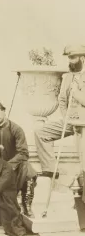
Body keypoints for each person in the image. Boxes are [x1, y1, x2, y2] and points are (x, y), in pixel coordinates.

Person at [35, 45, 85, 183]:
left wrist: (76, 93)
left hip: (84, 124)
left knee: (84, 158)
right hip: (70, 121)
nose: (70, 61)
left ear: (82, 58)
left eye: (73, 57)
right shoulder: (67, 77)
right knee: (41, 133)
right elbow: (62, 99)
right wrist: (66, 117)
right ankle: (50, 170)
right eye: (68, 57)